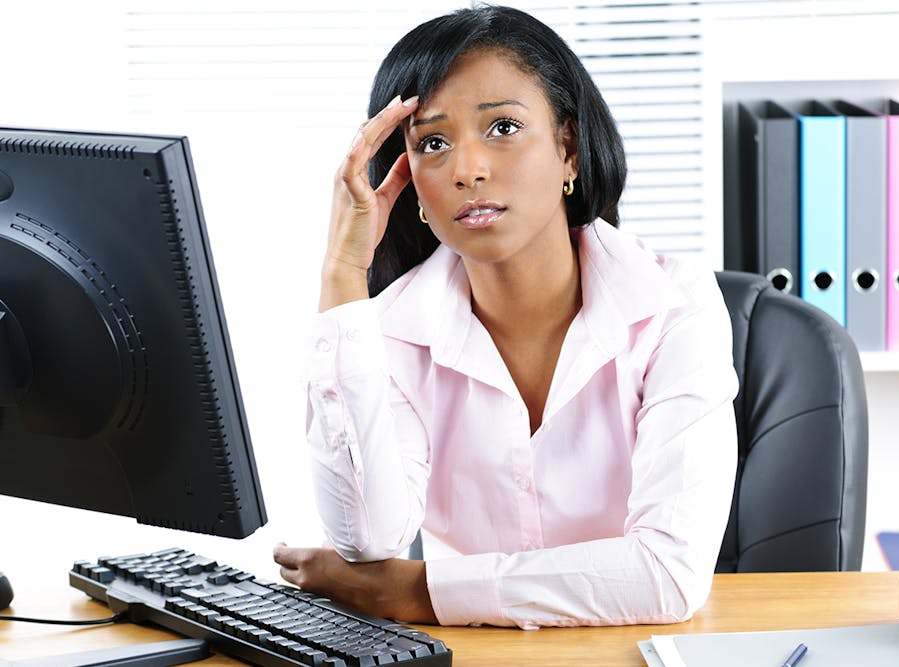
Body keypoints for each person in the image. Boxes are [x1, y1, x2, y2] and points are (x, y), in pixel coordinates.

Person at [273, 5, 738, 630]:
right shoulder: (384, 331)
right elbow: (367, 540)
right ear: (406, 181)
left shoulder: (675, 306)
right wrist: (341, 275)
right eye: (433, 143)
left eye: (502, 128)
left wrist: (417, 593)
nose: (467, 169)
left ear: (568, 149)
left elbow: (668, 575)